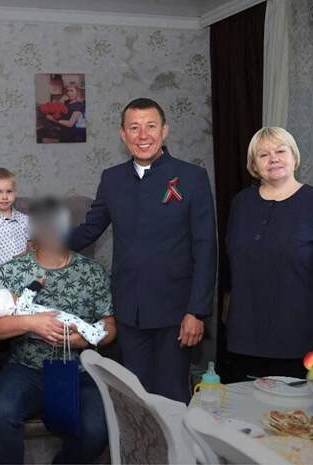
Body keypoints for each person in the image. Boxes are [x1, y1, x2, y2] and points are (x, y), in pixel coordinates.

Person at [69, 98, 217, 403]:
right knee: (134, 399)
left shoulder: (192, 177)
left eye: (151, 126)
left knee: (172, 396)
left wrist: (197, 311)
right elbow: (89, 229)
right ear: (123, 134)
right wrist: (47, 240)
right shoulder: (112, 179)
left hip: (176, 312)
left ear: (164, 130)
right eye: (134, 128)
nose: (143, 135)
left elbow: (205, 248)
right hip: (129, 312)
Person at [0, 197, 116, 465]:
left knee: (97, 431)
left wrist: (84, 340)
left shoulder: (92, 272)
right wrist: (32, 323)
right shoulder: (13, 270)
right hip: (26, 367)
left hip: (79, 369)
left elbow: (110, 325)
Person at [226, 127, 313, 381]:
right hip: (243, 338)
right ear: (254, 165)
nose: (273, 158)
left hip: (299, 341)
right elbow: (231, 267)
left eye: (280, 151)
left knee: (292, 408)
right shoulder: (241, 203)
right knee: (241, 406)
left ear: (294, 156)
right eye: (263, 155)